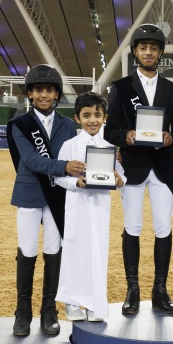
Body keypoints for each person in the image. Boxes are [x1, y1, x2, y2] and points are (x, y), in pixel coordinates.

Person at [104, 23, 173, 316]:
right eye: (143, 48)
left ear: (160, 52)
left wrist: (170, 139)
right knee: (133, 228)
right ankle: (133, 290)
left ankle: (160, 291)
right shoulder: (120, 87)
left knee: (164, 229)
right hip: (133, 168)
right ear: (135, 52)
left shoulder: (171, 89)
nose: (148, 52)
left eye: (153, 48)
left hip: (163, 167)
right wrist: (125, 135)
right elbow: (109, 130)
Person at [5, 64, 85, 337]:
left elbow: (81, 151)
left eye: (49, 90)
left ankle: (48, 311)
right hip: (29, 195)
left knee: (53, 253)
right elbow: (30, 160)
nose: (44, 95)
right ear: (30, 94)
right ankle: (22, 313)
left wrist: (107, 157)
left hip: (57, 197)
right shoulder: (19, 125)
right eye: (39, 90)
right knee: (27, 253)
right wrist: (63, 167)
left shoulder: (67, 125)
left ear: (57, 95)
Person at [54, 92, 124, 322]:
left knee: (98, 253)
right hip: (76, 208)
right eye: (86, 115)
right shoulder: (69, 145)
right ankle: (72, 302)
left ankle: (95, 303)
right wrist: (76, 181)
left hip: (100, 210)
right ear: (77, 118)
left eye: (97, 115)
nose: (92, 120)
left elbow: (120, 178)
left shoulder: (109, 147)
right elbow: (58, 178)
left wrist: (118, 178)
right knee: (74, 251)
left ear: (105, 117)